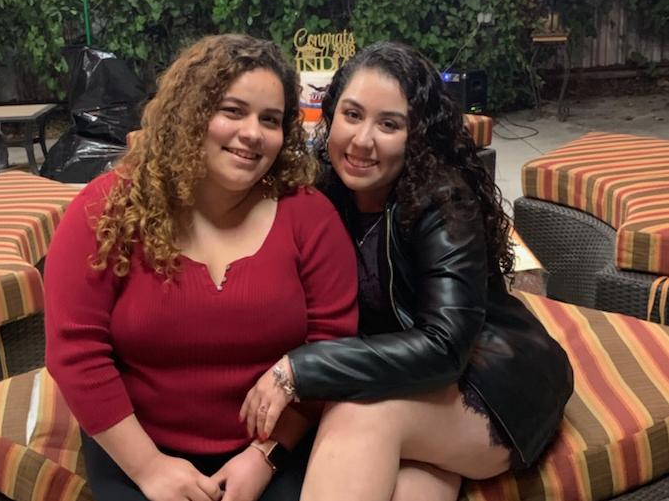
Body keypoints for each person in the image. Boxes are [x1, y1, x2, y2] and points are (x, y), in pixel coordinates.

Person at [241, 42, 574, 501]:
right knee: (410, 483)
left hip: (488, 382)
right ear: (330, 116)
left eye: (389, 124)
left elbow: (445, 346)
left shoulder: (442, 200)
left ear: (417, 135)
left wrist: (298, 369)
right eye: (352, 115)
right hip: (410, 386)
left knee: (356, 413)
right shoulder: (321, 193)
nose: (362, 141)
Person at [44, 34, 359, 501]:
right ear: (190, 113)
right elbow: (75, 352)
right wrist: (149, 467)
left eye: (270, 120)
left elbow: (331, 346)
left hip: (275, 449)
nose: (253, 133)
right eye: (233, 111)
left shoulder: (309, 217)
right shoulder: (107, 210)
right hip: (137, 447)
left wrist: (266, 455)